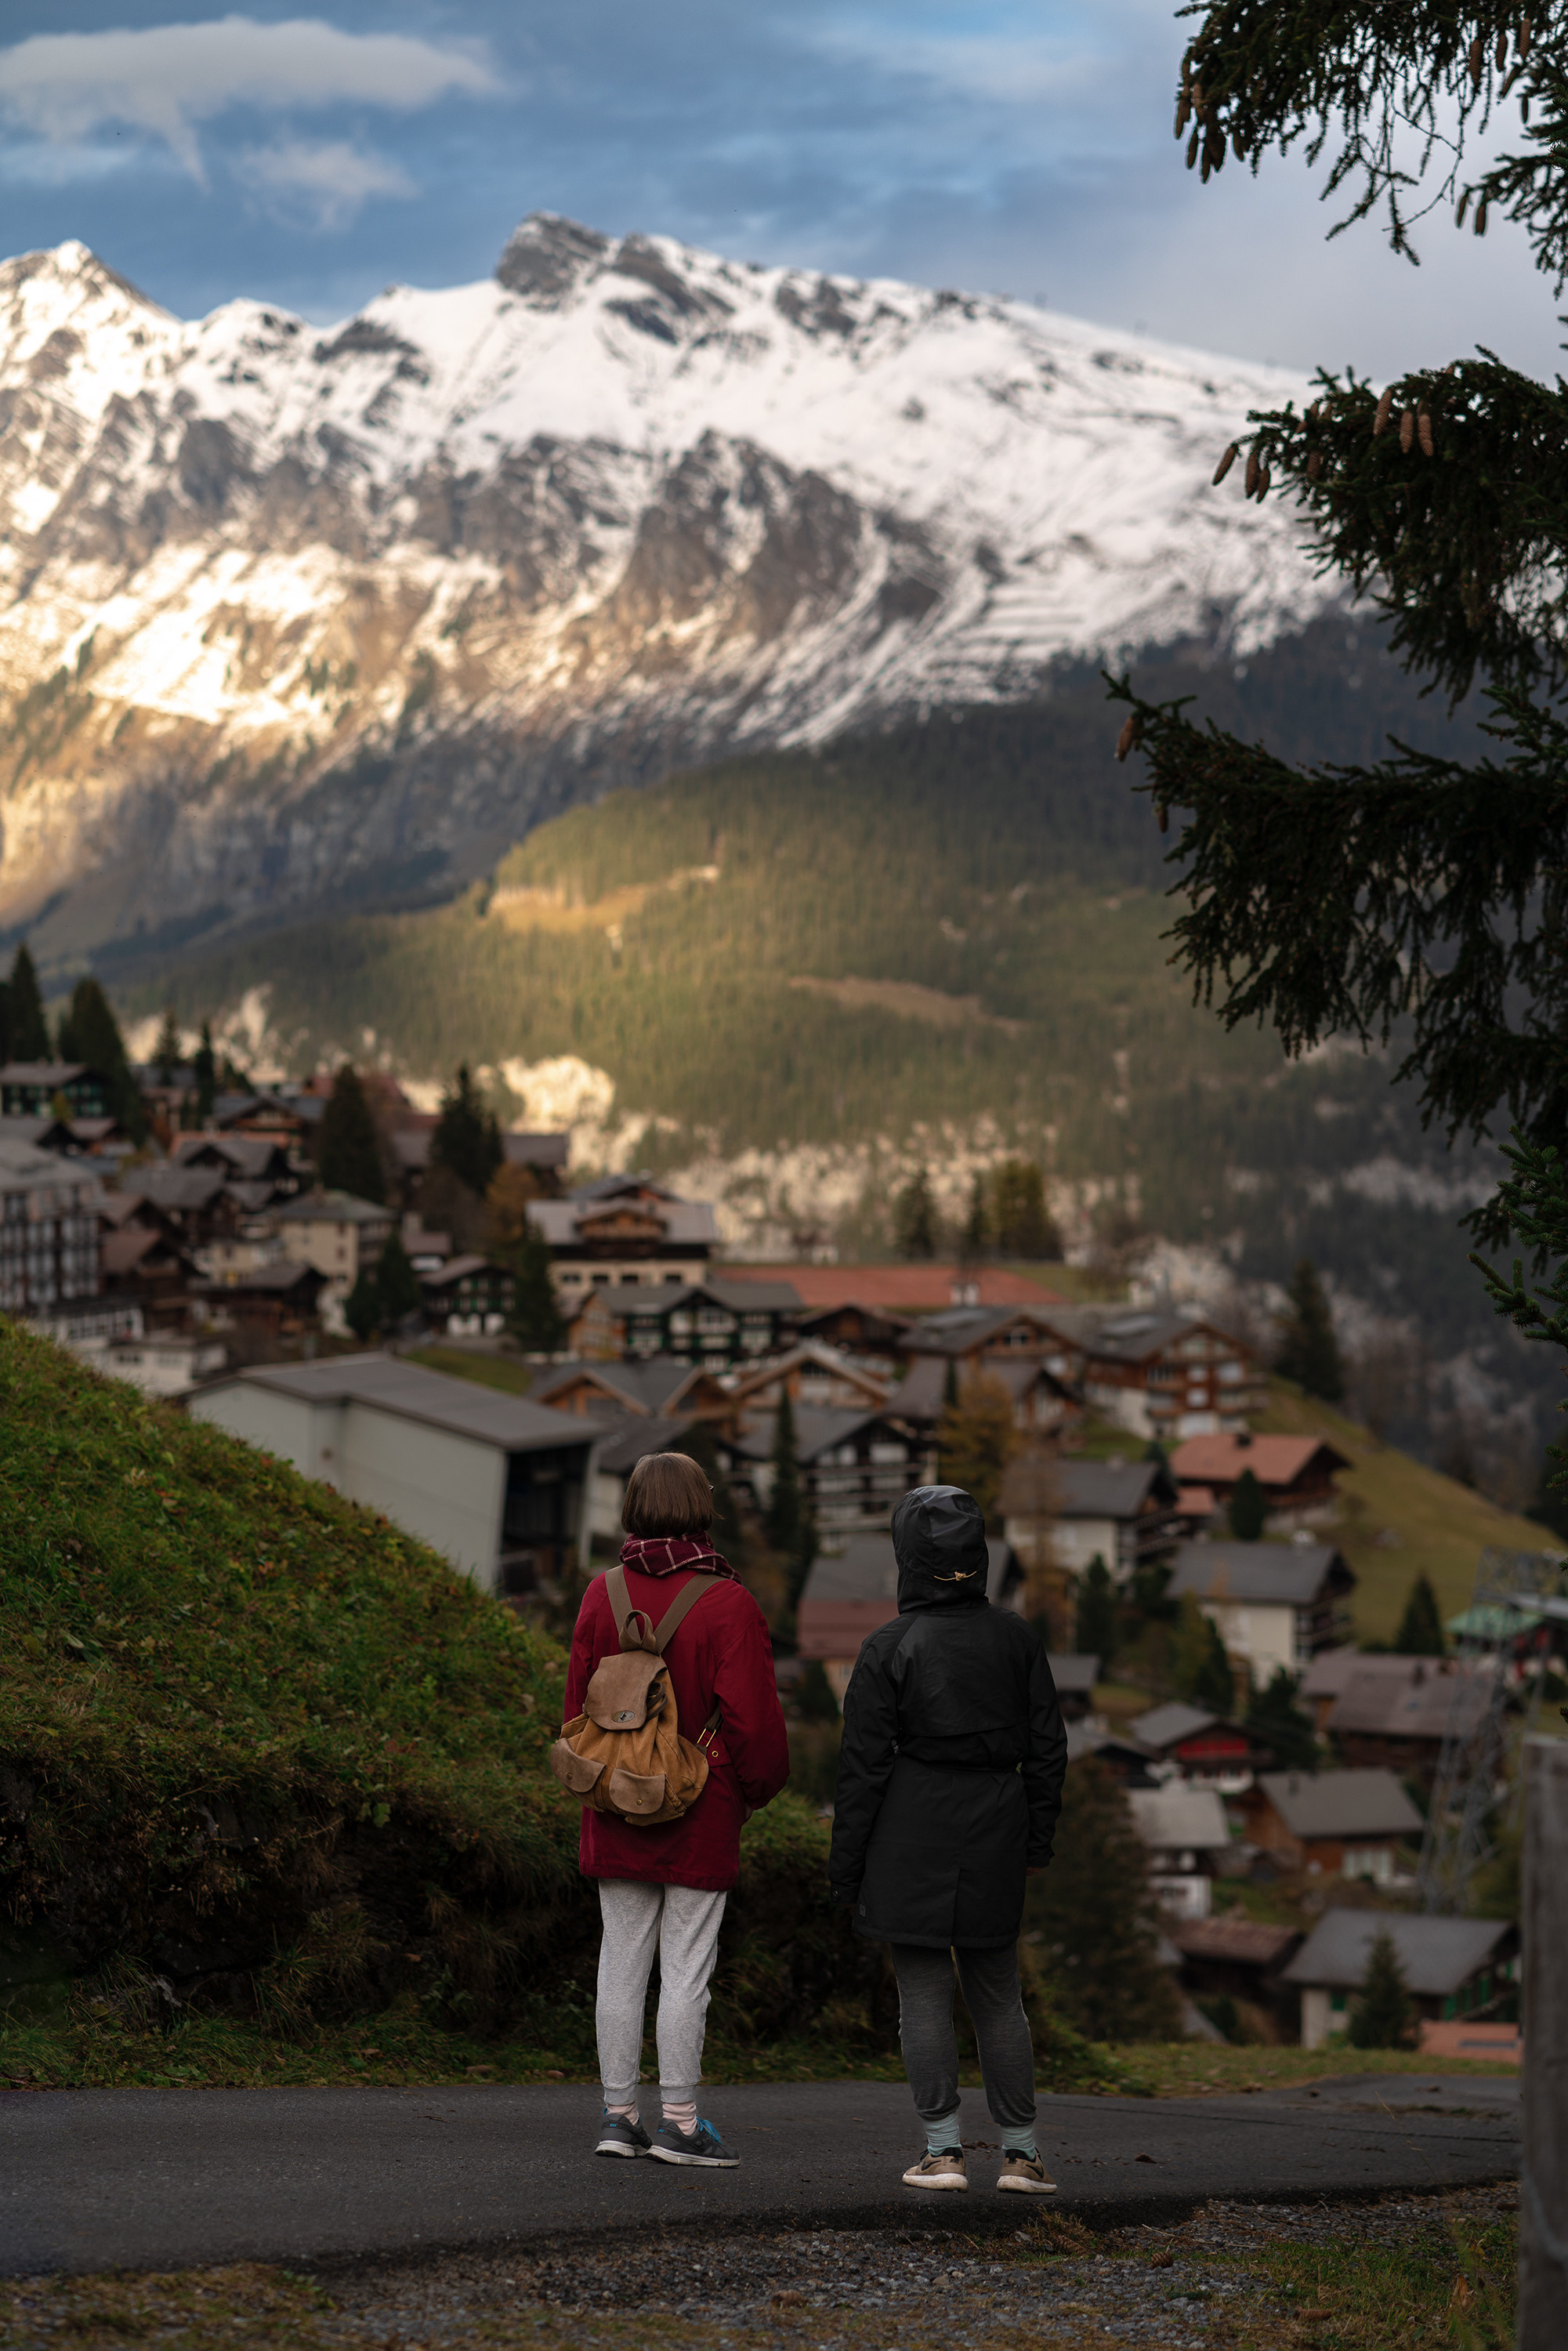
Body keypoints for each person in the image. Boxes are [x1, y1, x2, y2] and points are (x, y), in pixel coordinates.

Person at [829, 1483, 1067, 2193]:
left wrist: (846, 1870)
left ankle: (942, 2152)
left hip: (909, 1831)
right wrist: (1036, 1841)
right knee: (998, 1995)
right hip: (996, 1824)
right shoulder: (1016, 1638)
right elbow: (1048, 1750)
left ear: (907, 1557)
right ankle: (1022, 2154)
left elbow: (861, 1769)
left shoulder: (888, 1646)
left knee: (924, 1997)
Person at [563, 1450, 789, 2168]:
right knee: (686, 1968)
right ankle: (682, 2126)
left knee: (619, 1960)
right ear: (701, 1507)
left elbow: (576, 1709)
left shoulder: (601, 1593)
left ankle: (618, 2117)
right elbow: (753, 1721)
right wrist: (753, 1790)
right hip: (700, 1802)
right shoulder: (728, 1602)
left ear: (632, 1507)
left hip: (615, 1796)